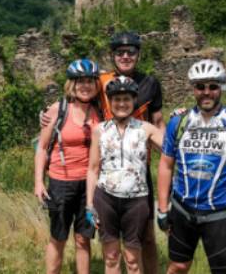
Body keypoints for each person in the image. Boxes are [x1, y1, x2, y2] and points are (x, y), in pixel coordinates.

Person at [42, 31, 165, 274]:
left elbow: (159, 123)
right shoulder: (102, 80)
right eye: (120, 52)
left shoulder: (151, 83)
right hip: (107, 171)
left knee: (146, 238)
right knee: (110, 251)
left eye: (131, 52)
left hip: (139, 172)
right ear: (113, 56)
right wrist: (50, 112)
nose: (126, 56)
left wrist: (180, 129)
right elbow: (79, 92)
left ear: (138, 55)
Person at [157, 59, 226, 274]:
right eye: (200, 87)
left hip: (220, 214)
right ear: (193, 88)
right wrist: (163, 208)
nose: (206, 92)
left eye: (213, 86)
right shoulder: (179, 122)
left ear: (221, 88)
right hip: (182, 210)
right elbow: (166, 166)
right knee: (178, 265)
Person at [85, 76, 165, 274]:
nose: (122, 104)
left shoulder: (145, 129)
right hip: (106, 199)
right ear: (110, 102)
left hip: (136, 201)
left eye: (126, 99)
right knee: (111, 258)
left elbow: (172, 147)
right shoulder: (100, 130)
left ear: (134, 101)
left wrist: (181, 120)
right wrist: (89, 204)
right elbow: (93, 168)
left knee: (132, 260)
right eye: (117, 99)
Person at [34, 58, 102, 274]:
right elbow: (42, 148)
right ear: (72, 84)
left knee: (83, 238)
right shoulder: (57, 110)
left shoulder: (99, 111)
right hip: (60, 183)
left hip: (89, 185)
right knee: (58, 238)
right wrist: (38, 182)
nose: (85, 86)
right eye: (80, 81)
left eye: (90, 81)